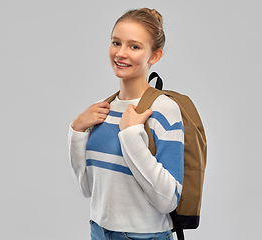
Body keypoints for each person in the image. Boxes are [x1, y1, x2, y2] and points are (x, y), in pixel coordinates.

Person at [69, 8, 184, 240]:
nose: (120, 53)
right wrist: (76, 131)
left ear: (154, 56)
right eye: (116, 42)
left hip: (145, 236)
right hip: (99, 231)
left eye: (134, 46)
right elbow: (87, 189)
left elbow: (168, 200)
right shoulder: (102, 109)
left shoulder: (164, 109)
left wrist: (132, 134)